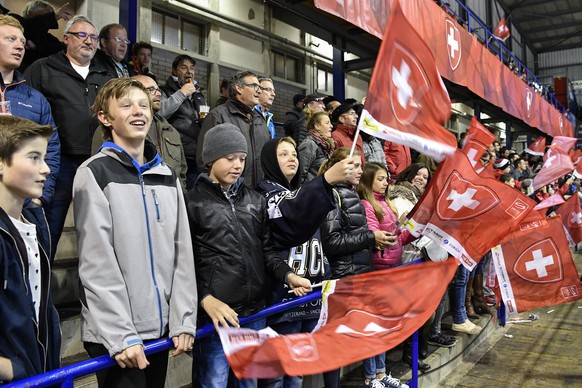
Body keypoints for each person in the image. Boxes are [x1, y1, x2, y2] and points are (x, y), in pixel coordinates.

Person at [73, 78, 197, 388]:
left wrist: (183, 318)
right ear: (105, 117)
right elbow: (97, 263)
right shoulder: (93, 173)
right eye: (126, 105)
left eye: (143, 105)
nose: (137, 111)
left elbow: (182, 252)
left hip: (159, 331)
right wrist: (121, 333)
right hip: (117, 337)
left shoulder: (167, 176)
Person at [187, 123, 311, 388]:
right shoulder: (192, 202)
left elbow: (266, 252)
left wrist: (288, 275)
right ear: (210, 158)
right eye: (229, 158)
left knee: (250, 384)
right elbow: (185, 263)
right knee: (214, 382)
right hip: (216, 319)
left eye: (242, 159)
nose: (237, 165)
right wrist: (204, 298)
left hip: (255, 313)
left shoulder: (255, 200)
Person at [257, 137, 354, 388]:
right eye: (283, 154)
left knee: (299, 369)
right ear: (269, 160)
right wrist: (325, 180)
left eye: (294, 154)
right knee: (279, 371)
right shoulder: (266, 195)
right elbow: (291, 210)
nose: (292, 158)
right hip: (284, 299)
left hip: (311, 295)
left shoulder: (298, 191)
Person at [24, 15, 113, 257]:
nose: (89, 41)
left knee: (100, 229)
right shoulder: (42, 69)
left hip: (98, 161)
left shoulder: (107, 74)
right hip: (58, 162)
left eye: (93, 37)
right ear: (66, 38)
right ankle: (41, 282)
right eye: (81, 35)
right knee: (49, 226)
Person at [320, 147, 395, 387]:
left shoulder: (350, 194)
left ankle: (379, 376)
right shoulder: (333, 196)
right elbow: (332, 243)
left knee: (372, 328)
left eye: (361, 166)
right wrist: (370, 238)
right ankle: (368, 378)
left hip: (361, 273)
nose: (360, 171)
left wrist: (375, 242)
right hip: (345, 277)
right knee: (337, 341)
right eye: (355, 166)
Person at [0, 115, 61, 384]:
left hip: (41, 374)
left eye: (44, 158)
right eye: (34, 157)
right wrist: (13, 371)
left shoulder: (36, 223)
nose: (46, 168)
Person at [357, 162, 411, 388]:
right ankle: (371, 377)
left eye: (386, 178)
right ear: (368, 181)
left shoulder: (386, 203)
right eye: (380, 178)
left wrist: (413, 230)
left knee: (383, 325)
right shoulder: (366, 204)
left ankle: (381, 373)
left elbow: (397, 237)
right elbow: (374, 236)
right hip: (377, 270)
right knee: (373, 325)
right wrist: (390, 235)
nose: (385, 182)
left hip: (391, 268)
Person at [0, 14, 60, 208]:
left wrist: (40, 198)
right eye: (11, 39)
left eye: (22, 42)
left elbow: (50, 147)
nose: (20, 46)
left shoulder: (35, 100)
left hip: (22, 204)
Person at [90, 75, 188, 190]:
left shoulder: (171, 131)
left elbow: (182, 173)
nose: (158, 94)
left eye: (158, 89)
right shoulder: (110, 131)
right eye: (150, 90)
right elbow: (100, 171)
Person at [197, 70, 270, 188]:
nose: (259, 90)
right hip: (230, 195)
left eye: (260, 87)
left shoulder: (260, 120)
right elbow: (203, 159)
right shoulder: (218, 116)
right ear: (239, 88)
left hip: (258, 194)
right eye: (254, 86)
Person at [160, 54, 207, 189]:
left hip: (198, 157)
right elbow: (160, 113)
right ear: (174, 71)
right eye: (184, 67)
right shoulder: (164, 91)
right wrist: (182, 93)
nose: (189, 71)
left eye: (192, 68)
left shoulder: (199, 94)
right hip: (176, 156)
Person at [16, 0, 73, 71]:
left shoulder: (46, 37)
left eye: (49, 15)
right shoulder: (16, 21)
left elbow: (61, 49)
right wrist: (54, 16)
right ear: (31, 12)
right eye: (45, 15)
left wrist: (37, 46)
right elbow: (25, 27)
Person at [297, 110, 335, 184]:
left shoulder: (326, 146)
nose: (331, 126)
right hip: (310, 192)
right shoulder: (309, 144)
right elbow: (300, 175)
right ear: (317, 126)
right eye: (327, 123)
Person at [331, 102, 365, 167]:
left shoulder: (357, 136)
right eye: (352, 113)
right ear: (342, 119)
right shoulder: (335, 136)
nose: (356, 116)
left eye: (355, 113)